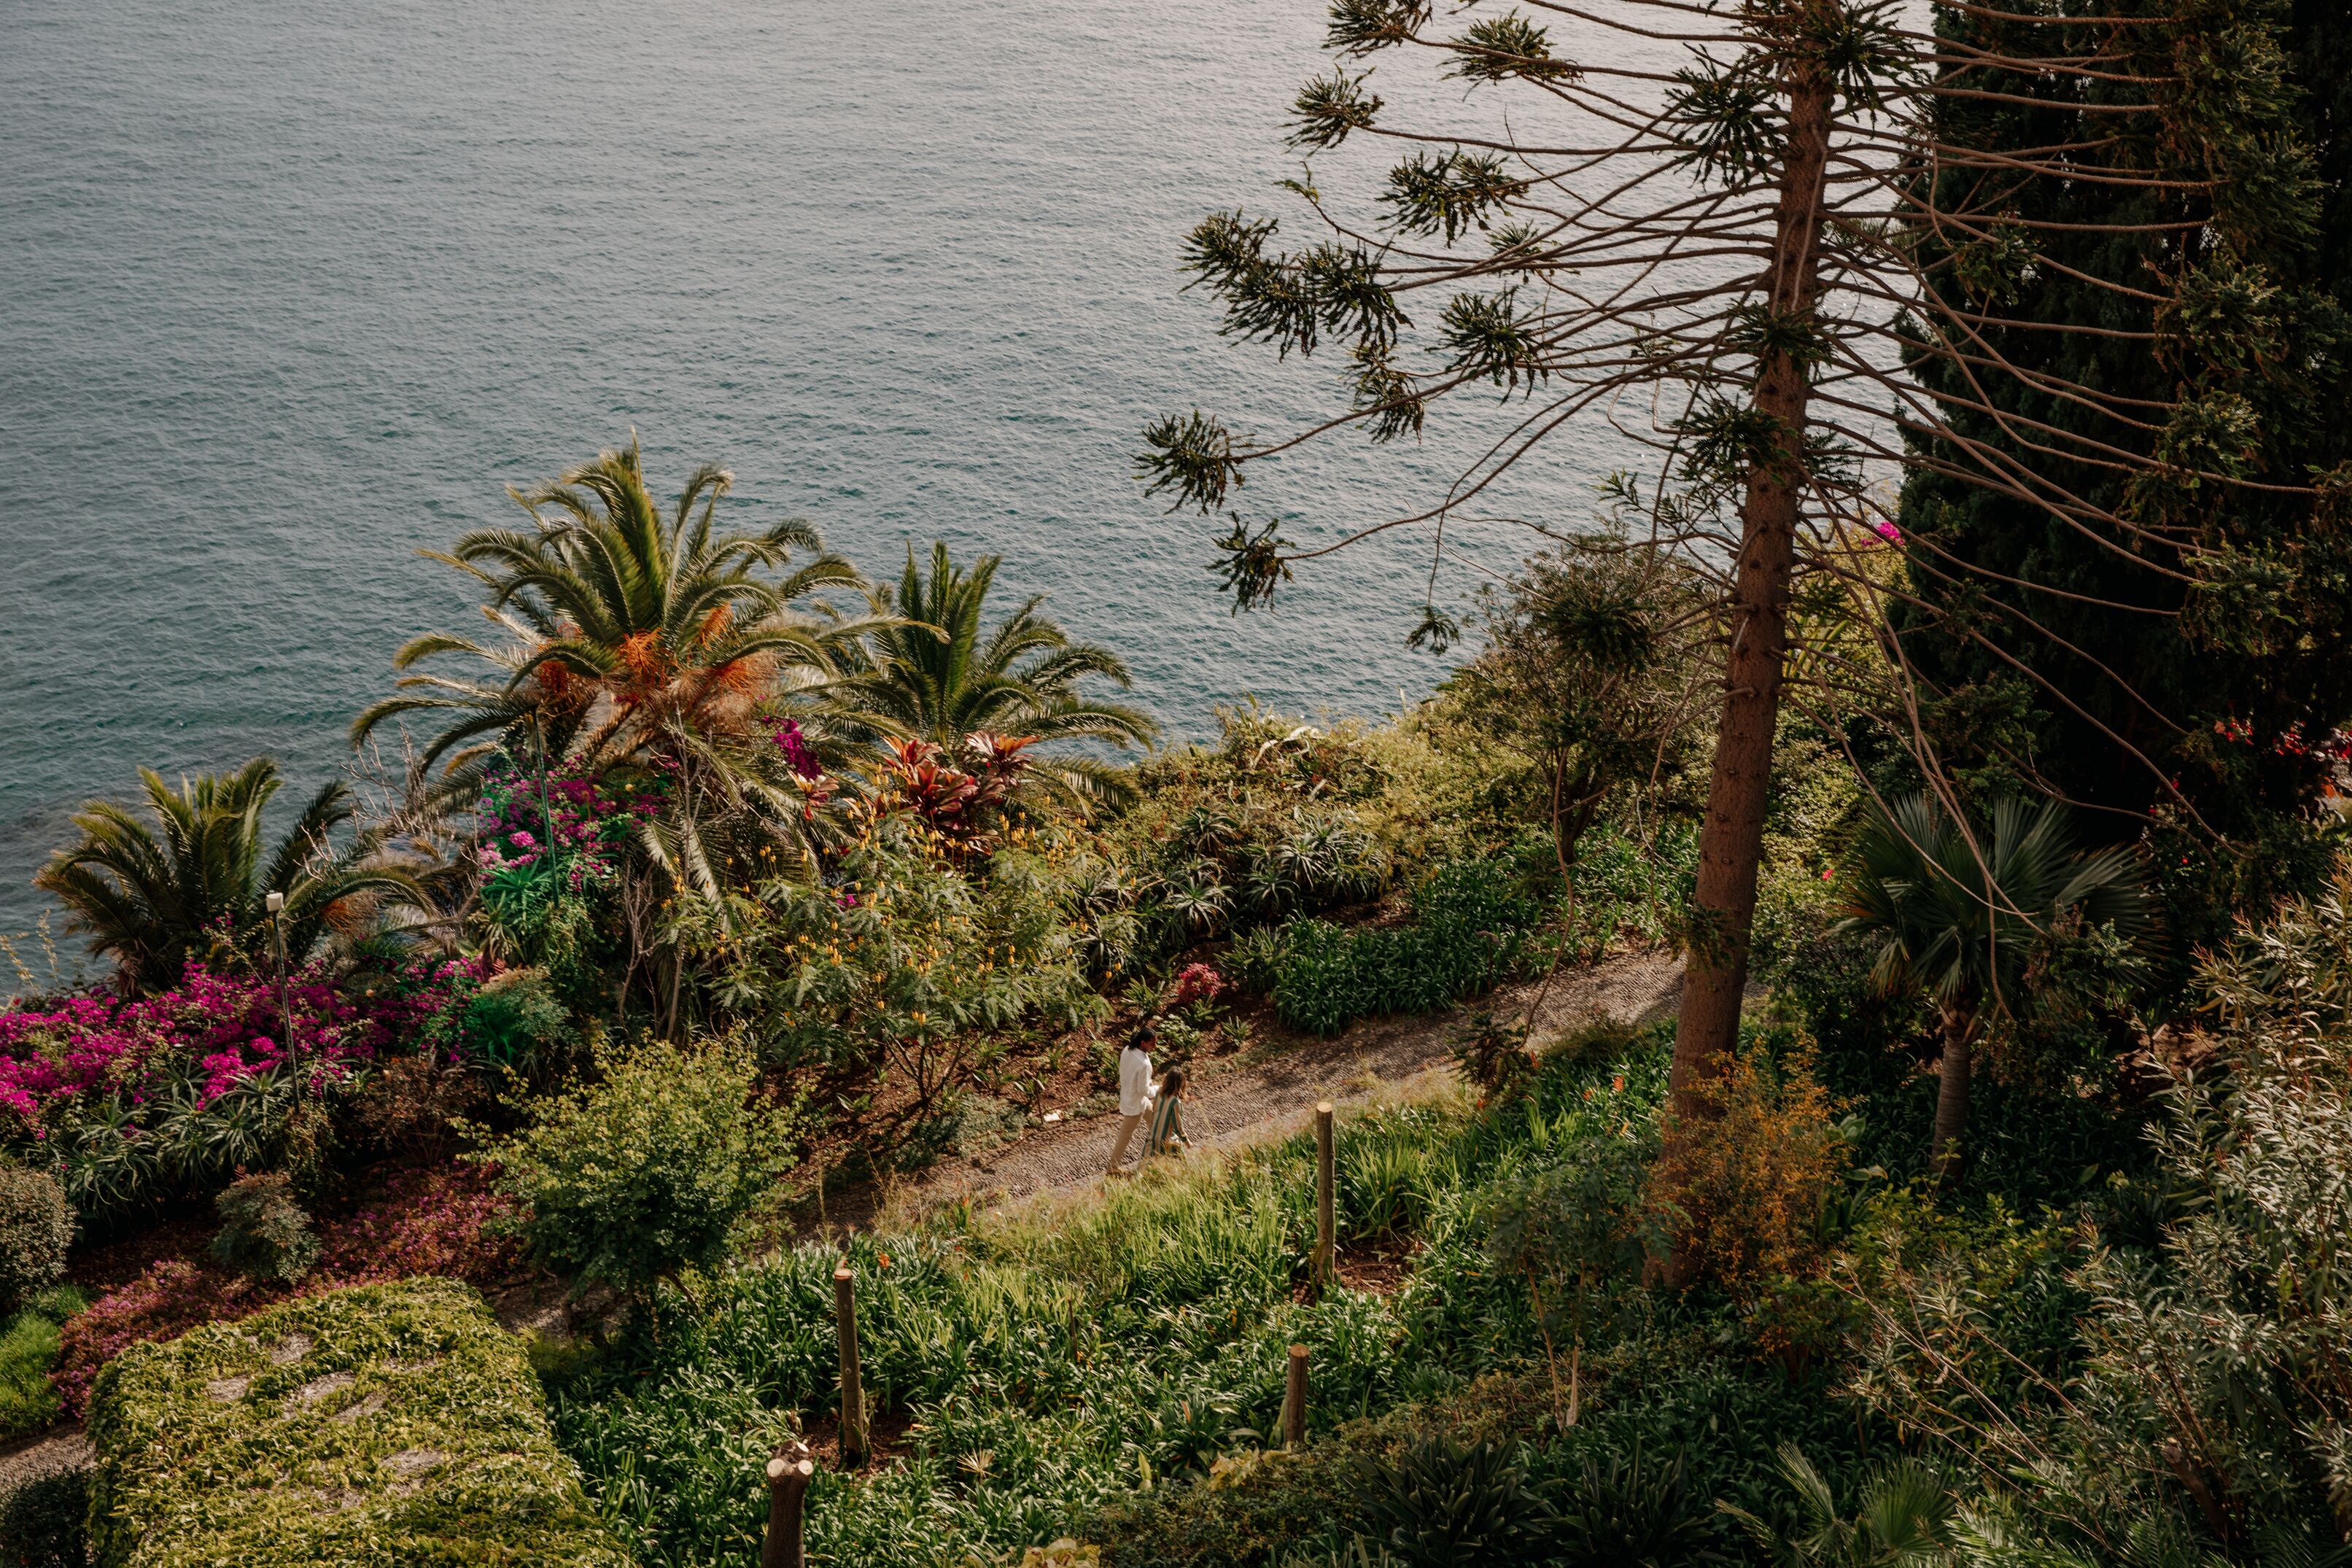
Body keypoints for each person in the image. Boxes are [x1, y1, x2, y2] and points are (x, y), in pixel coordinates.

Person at [1106, 1022, 1157, 1176]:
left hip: (1128, 1096)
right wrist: (1158, 1089)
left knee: (1155, 1121)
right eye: (1152, 1043)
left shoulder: (1127, 1050)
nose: (1155, 1046)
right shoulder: (1144, 1063)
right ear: (1143, 1042)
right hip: (1136, 1104)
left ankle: (1163, 1149)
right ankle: (1112, 1169)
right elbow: (1144, 1091)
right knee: (1124, 1137)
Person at [1143, 1064, 1189, 1160]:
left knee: (1149, 1166)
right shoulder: (1175, 1102)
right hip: (1166, 1141)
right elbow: (1178, 1127)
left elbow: (1154, 1111)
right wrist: (1187, 1141)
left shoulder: (1159, 1093)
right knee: (1181, 1161)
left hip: (1152, 1137)